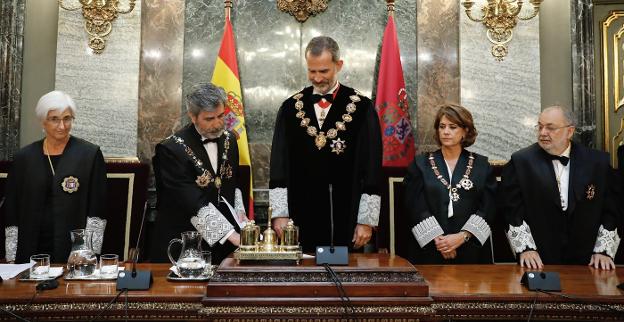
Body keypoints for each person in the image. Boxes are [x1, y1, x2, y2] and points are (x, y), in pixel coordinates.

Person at [269, 36, 382, 252]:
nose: (317, 78)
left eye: (324, 71)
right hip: (299, 214)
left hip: (347, 216)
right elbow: (278, 166)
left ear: (339, 65)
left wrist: (367, 220)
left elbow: (372, 168)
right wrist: (279, 214)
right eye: (312, 71)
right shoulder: (290, 108)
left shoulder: (362, 108)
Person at [500, 106, 621, 270]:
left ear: (569, 131)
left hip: (589, 259)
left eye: (550, 128)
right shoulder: (521, 161)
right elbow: (512, 210)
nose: (543, 132)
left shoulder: (597, 162)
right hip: (538, 259)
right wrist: (526, 249)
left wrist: (603, 250)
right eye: (540, 126)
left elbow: (611, 208)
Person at [4, 91, 107, 263]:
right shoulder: (24, 157)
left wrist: (86, 251)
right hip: (31, 247)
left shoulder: (89, 154)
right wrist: (11, 254)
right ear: (42, 121)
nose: (62, 126)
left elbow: (97, 208)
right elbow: (12, 207)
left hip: (73, 250)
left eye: (67, 118)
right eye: (54, 119)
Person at [151, 83, 247, 264]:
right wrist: (231, 235)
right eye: (209, 119)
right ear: (192, 116)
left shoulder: (230, 139)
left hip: (222, 246)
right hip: (183, 244)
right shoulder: (170, 149)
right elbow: (191, 200)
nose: (218, 124)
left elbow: (231, 182)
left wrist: (240, 214)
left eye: (221, 116)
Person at [404, 104, 495, 264]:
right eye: (442, 126)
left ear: (465, 131)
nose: (446, 132)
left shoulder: (481, 165)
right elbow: (415, 205)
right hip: (430, 249)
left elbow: (489, 206)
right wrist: (440, 241)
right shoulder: (421, 164)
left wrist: (463, 236)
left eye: (453, 127)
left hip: (471, 248)